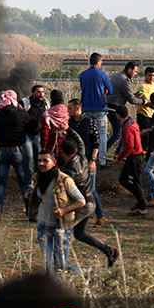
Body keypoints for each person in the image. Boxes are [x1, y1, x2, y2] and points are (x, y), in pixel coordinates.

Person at [58, 134, 118, 267]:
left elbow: (60, 183)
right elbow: (80, 140)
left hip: (83, 205)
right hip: (89, 202)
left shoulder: (71, 171)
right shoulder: (82, 156)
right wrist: (67, 129)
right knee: (80, 234)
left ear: (63, 153)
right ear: (75, 151)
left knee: (65, 227)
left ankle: (63, 262)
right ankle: (110, 250)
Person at [26, 151, 85, 274]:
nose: (41, 163)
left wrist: (64, 210)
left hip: (60, 227)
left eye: (45, 161)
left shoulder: (64, 180)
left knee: (61, 263)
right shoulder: (37, 177)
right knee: (49, 264)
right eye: (39, 160)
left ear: (54, 163)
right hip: (43, 225)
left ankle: (81, 278)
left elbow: (81, 201)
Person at [0, 90, 31, 217]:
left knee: (2, 183)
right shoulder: (22, 114)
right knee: (23, 183)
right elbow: (33, 126)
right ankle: (30, 211)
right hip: (17, 151)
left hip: (2, 151)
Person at [67, 98, 105, 226]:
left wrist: (93, 160)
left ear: (78, 108)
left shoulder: (89, 122)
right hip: (75, 163)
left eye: (70, 108)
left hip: (88, 160)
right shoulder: (70, 123)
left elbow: (96, 143)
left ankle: (99, 216)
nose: (68, 111)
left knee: (91, 190)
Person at [78, 52, 111, 166]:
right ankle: (101, 160)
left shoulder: (83, 74)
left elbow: (83, 88)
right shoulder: (102, 74)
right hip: (100, 108)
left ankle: (87, 158)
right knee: (101, 134)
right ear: (98, 62)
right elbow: (110, 90)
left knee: (87, 134)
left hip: (86, 107)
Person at [106, 62, 144, 159]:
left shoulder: (118, 76)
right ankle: (113, 153)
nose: (135, 74)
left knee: (119, 131)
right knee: (120, 132)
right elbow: (131, 100)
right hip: (114, 108)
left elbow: (126, 94)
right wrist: (143, 101)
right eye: (135, 71)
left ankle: (113, 152)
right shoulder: (125, 80)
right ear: (129, 70)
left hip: (110, 106)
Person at [116, 105, 148, 216]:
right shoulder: (132, 123)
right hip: (134, 156)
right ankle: (140, 200)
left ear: (118, 115)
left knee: (134, 182)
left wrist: (120, 157)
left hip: (134, 157)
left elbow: (129, 146)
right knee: (124, 180)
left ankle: (142, 205)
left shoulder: (127, 128)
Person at [20, 85, 49, 178]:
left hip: (39, 135)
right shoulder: (25, 102)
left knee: (38, 158)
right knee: (28, 156)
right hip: (26, 134)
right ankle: (29, 179)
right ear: (33, 93)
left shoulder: (45, 103)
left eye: (43, 92)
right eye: (39, 92)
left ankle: (38, 177)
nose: (41, 94)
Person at [41, 90, 69, 154]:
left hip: (52, 148)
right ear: (63, 100)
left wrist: (43, 147)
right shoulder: (68, 112)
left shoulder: (47, 114)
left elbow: (45, 131)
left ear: (51, 100)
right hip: (68, 148)